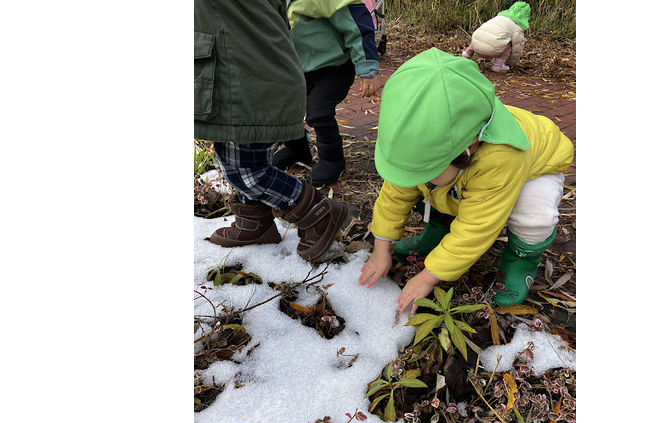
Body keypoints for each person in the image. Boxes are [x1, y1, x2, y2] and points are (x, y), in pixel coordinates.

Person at [358, 48, 573, 312]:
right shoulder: (425, 144)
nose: (414, 178)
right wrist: (382, 250)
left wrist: (428, 277)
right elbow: (395, 193)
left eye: (424, 170)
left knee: (533, 215)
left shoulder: (502, 157)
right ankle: (437, 232)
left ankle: (521, 262)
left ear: (469, 146)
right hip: (469, 169)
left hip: (537, 167)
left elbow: (477, 226)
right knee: (437, 188)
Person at [194, 0, 348, 262]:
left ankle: (319, 212)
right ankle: (255, 222)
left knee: (248, 171)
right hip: (242, 74)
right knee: (233, 157)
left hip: (246, 79)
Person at [272, 0, 380, 186]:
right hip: (299, 66)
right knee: (285, 107)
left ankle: (333, 160)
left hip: (334, 66)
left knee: (319, 112)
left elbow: (357, 24)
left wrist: (367, 67)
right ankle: (297, 149)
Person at [462, 2, 530, 73]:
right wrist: (511, 64)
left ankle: (465, 55)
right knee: (509, 44)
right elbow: (517, 49)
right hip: (491, 51)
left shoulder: (497, 18)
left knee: (482, 36)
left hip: (475, 47)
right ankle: (498, 65)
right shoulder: (517, 28)